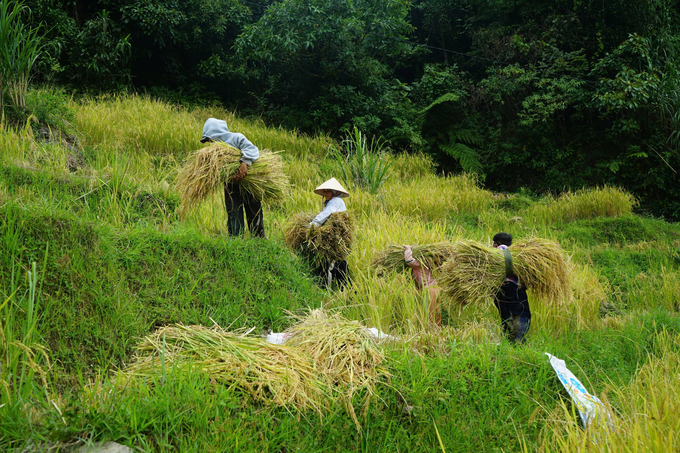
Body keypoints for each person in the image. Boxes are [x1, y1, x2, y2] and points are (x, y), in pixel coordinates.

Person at [201, 118, 264, 238]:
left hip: (250, 183)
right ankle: (236, 240)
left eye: (211, 139)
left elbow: (252, 149)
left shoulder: (236, 138)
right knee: (233, 212)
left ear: (216, 133)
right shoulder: (214, 151)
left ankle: (259, 241)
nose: (211, 143)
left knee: (254, 211)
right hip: (231, 185)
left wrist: (244, 163)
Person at [309, 177, 350, 288]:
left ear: (334, 192)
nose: (326, 193)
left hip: (336, 237)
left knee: (332, 264)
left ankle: (327, 288)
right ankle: (346, 288)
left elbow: (325, 215)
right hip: (338, 238)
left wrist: (311, 227)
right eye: (325, 191)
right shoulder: (332, 202)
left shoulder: (335, 201)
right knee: (340, 263)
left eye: (328, 191)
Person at [492, 232, 531, 344]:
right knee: (521, 313)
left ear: (495, 243)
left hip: (499, 290)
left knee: (505, 315)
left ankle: (508, 341)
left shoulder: (493, 253)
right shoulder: (518, 255)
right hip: (515, 288)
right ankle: (518, 341)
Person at [404, 245, 441, 327]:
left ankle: (432, 330)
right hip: (436, 288)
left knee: (430, 311)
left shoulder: (419, 264)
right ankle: (438, 328)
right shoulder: (433, 264)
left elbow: (408, 260)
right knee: (436, 310)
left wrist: (408, 248)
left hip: (429, 290)